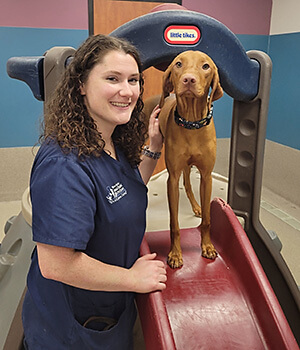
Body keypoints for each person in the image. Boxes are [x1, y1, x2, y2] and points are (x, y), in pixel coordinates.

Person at [22, 34, 167, 349]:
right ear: (81, 85)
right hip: (72, 327)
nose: (126, 91)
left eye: (133, 80)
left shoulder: (110, 141)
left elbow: (123, 193)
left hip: (109, 309)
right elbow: (56, 264)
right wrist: (133, 279)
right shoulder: (65, 165)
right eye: (112, 79)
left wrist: (153, 149)